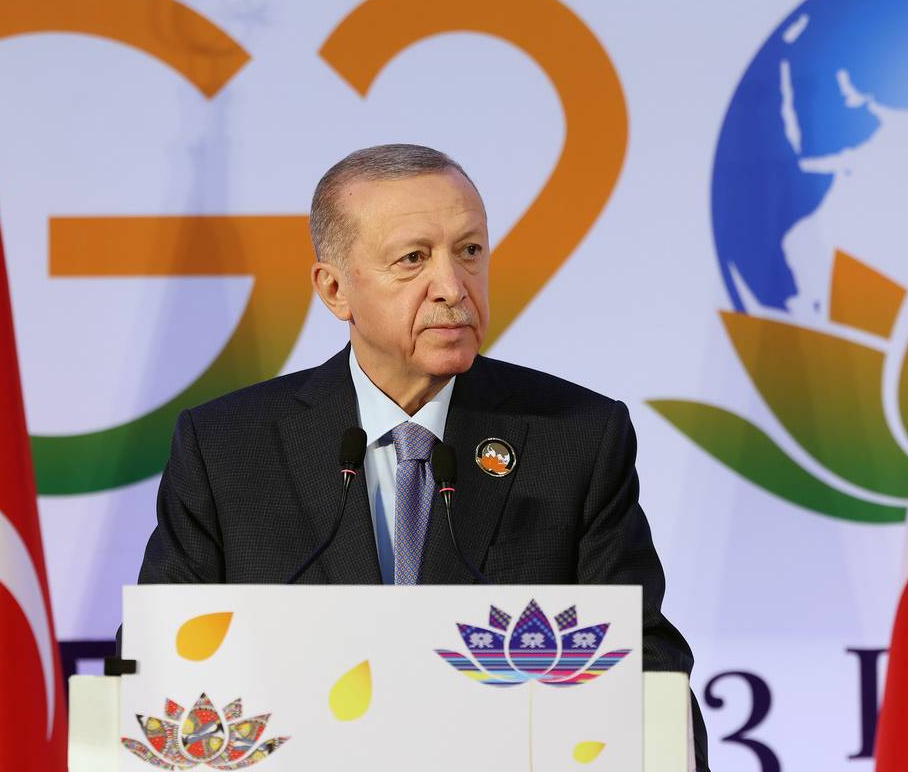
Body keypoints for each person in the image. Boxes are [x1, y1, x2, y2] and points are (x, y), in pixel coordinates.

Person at [135, 144, 709, 769]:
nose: (452, 287)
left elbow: (644, 666)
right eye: (413, 259)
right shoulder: (229, 447)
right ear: (334, 288)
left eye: (469, 252)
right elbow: (161, 668)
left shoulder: (575, 437)